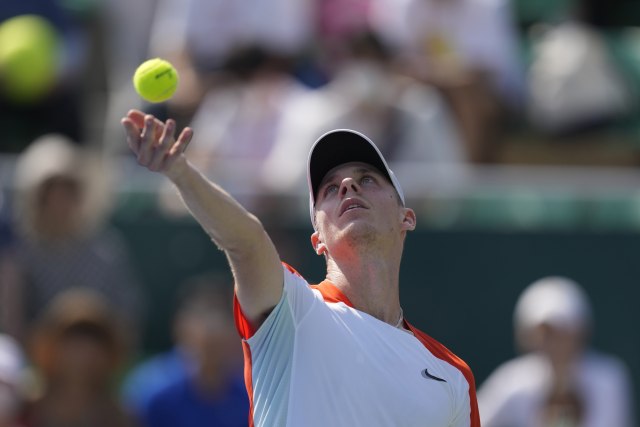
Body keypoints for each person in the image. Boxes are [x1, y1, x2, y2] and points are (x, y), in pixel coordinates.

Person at [121, 109, 480, 426]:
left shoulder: (452, 375)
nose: (348, 186)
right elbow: (246, 242)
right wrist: (180, 172)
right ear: (317, 239)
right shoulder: (292, 309)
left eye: (367, 179)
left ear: (407, 218)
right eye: (329, 189)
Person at [478, 276, 635, 427]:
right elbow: (473, 419)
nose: (554, 343)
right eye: (545, 334)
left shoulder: (610, 378)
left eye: (562, 332)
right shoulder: (511, 382)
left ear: (580, 332)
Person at [122, 273, 248, 427]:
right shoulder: (149, 389)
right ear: (180, 325)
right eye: (202, 315)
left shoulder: (247, 394)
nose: (213, 326)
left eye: (221, 316)